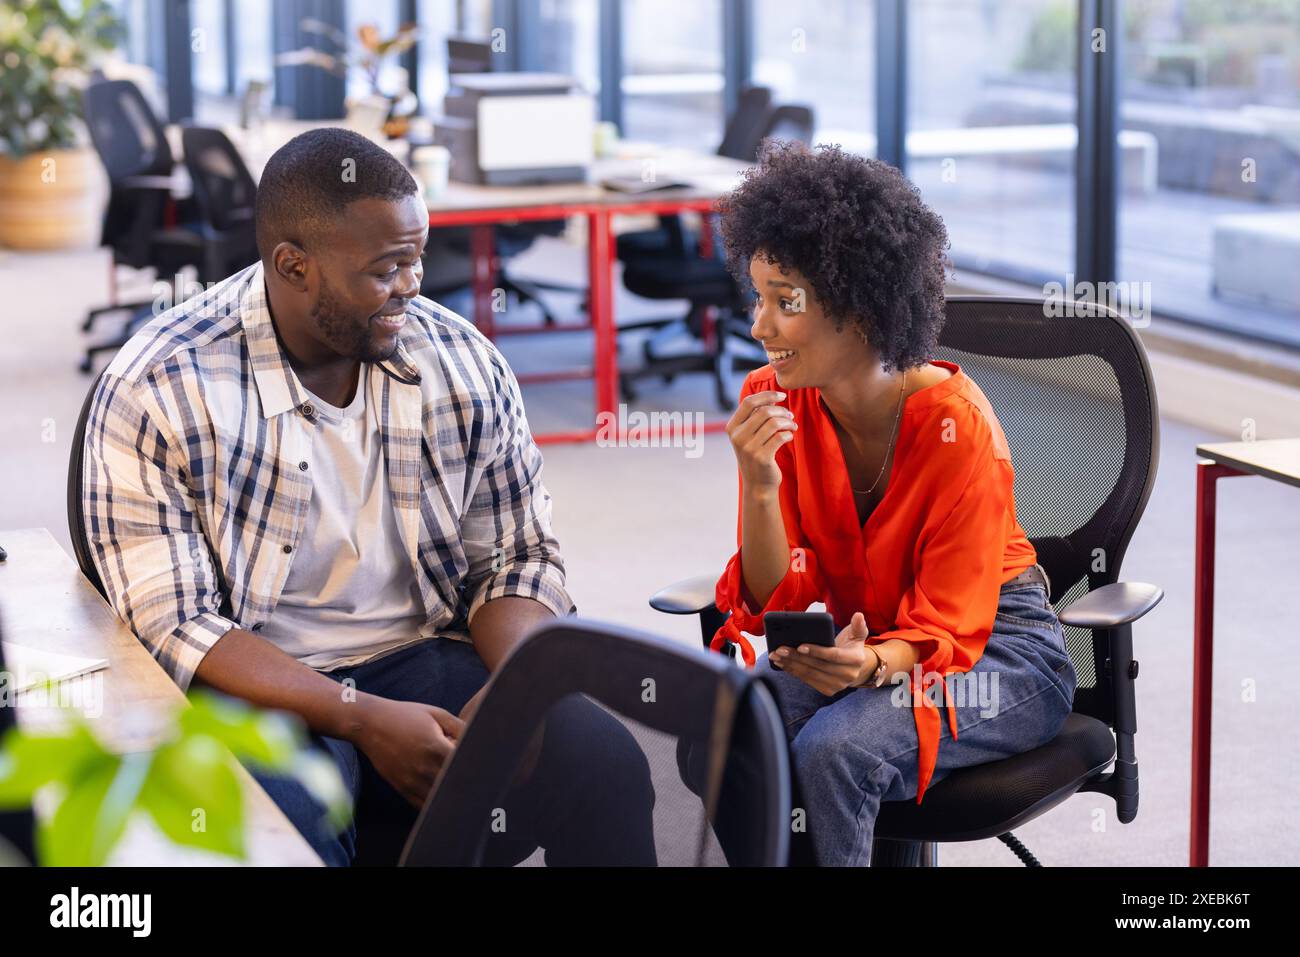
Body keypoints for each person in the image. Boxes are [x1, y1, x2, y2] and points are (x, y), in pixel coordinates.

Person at [82, 127, 655, 866]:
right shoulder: (162, 387)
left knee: (603, 764)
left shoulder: (459, 360)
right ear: (294, 266)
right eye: (388, 269)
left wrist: (518, 684)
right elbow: (177, 623)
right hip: (258, 681)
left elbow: (516, 557)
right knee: (282, 832)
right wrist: (360, 717)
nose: (413, 287)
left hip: (421, 650)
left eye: (416, 259)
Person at [713, 141, 1078, 866]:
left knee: (835, 749)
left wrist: (874, 664)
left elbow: (949, 623)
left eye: (786, 302)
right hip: (873, 634)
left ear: (860, 309)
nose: (759, 327)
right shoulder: (772, 400)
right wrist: (761, 486)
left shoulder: (957, 426)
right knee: (737, 722)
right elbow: (772, 591)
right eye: (758, 297)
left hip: (1000, 652)